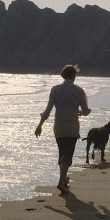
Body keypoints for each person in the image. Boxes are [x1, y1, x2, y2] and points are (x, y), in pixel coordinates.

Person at [35, 64, 91, 194]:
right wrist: (82, 113)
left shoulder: (55, 90)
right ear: (74, 76)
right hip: (72, 125)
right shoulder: (78, 91)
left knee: (62, 152)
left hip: (59, 126)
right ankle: (61, 182)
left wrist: (40, 125)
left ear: (63, 75)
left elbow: (47, 110)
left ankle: (64, 179)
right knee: (68, 153)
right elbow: (86, 110)